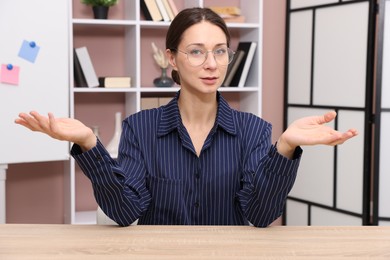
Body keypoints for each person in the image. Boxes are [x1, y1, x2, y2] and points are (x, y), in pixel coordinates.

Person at [15, 7, 358, 227]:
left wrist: (284, 148)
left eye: (220, 51)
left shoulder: (254, 130)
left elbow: (261, 214)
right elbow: (124, 212)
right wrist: (88, 144)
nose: (211, 64)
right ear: (172, 59)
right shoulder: (141, 129)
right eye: (196, 52)